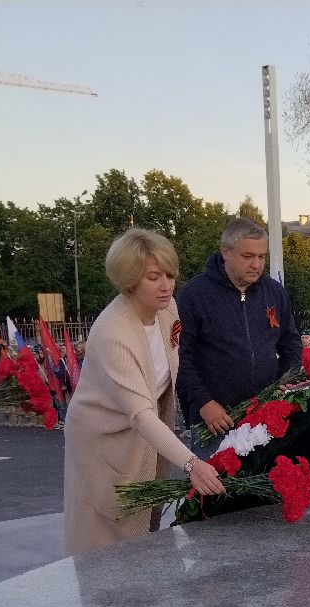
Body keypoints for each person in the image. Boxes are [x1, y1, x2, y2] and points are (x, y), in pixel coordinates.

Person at [63, 228, 225, 556]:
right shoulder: (113, 331)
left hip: (145, 436)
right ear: (129, 280)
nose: (166, 285)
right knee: (106, 540)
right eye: (153, 277)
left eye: (170, 275)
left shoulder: (168, 310)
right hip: (105, 443)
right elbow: (140, 414)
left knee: (146, 532)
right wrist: (192, 464)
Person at [176, 217, 300, 449]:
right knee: (215, 475)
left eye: (261, 257)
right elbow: (180, 356)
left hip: (266, 416)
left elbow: (291, 343)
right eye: (248, 256)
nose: (256, 264)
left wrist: (286, 378)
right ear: (226, 252)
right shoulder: (194, 295)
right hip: (214, 422)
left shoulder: (274, 292)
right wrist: (203, 402)